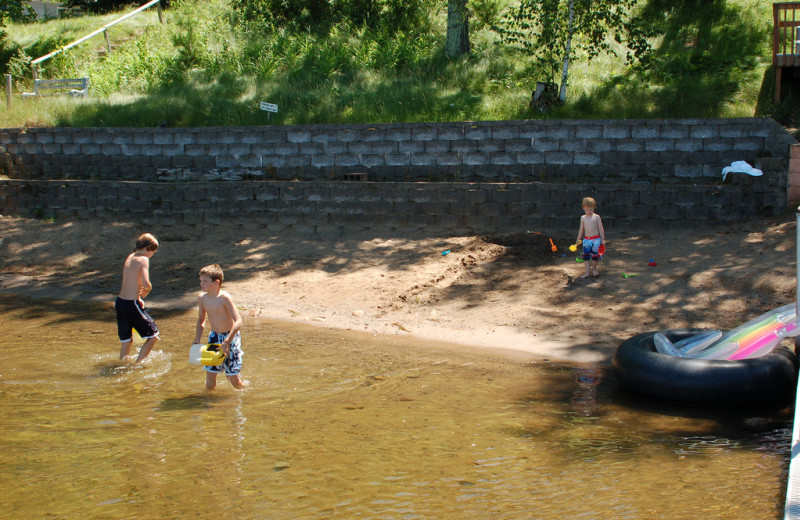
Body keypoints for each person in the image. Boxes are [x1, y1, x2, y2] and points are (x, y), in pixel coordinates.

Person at [192, 264, 246, 390]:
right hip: (214, 337)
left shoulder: (224, 298)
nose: (201, 284)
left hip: (230, 337)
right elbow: (201, 320)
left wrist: (227, 341)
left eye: (205, 281)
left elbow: (238, 321)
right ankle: (209, 405)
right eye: (201, 281)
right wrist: (197, 338)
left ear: (216, 283)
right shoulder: (202, 298)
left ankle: (245, 395)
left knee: (233, 378)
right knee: (210, 375)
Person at [115, 233, 160, 362]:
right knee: (153, 336)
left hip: (120, 302)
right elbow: (146, 283)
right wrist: (148, 289)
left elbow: (129, 280)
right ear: (147, 249)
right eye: (152, 252)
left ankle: (123, 364)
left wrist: (137, 297)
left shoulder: (130, 256)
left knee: (126, 340)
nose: (151, 255)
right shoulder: (143, 259)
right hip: (131, 304)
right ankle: (137, 364)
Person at [575, 197, 605, 279]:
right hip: (587, 240)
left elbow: (601, 228)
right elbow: (581, 230)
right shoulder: (583, 218)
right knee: (586, 256)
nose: (589, 211)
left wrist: (603, 239)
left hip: (596, 239)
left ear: (594, 207)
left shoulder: (597, 217)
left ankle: (594, 269)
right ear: (583, 208)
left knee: (595, 256)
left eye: (591, 209)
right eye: (587, 209)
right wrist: (578, 239)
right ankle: (587, 272)